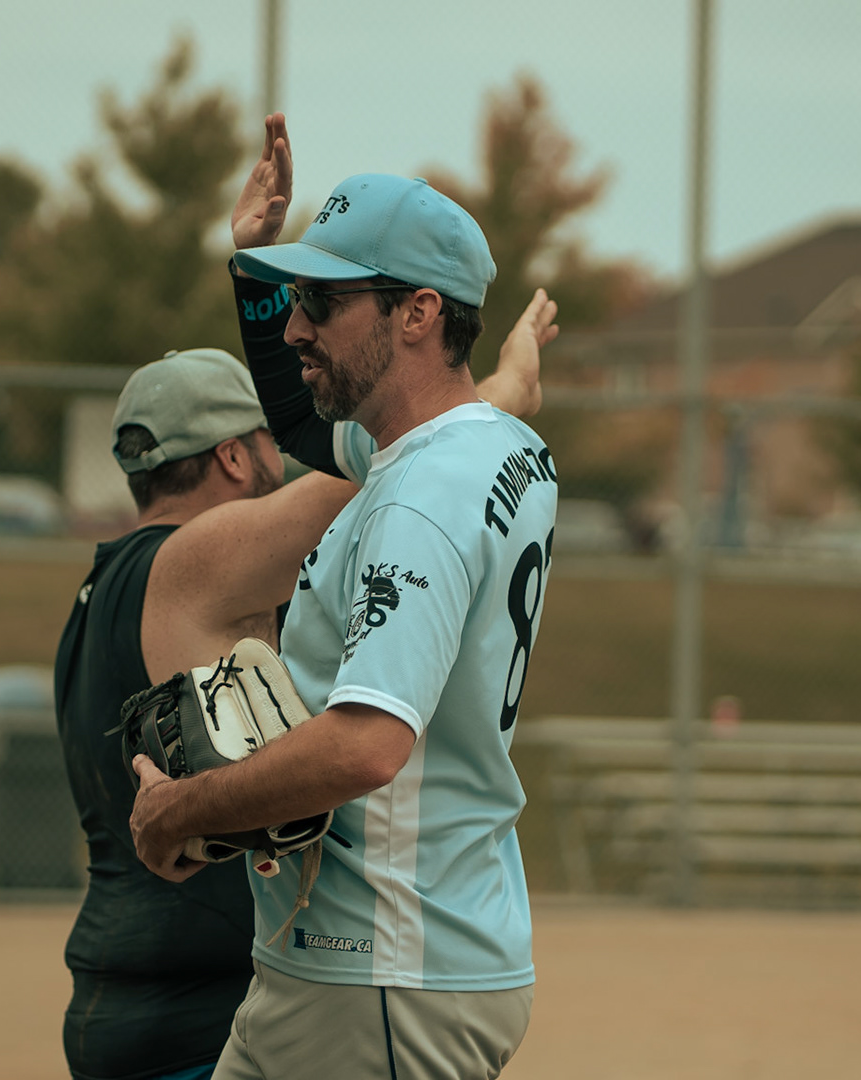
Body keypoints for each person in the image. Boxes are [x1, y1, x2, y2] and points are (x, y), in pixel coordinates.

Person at [53, 114, 555, 1080]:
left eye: (321, 301)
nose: (294, 327)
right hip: (371, 959)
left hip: (380, 968)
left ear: (417, 313)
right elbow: (300, 420)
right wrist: (254, 267)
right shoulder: (485, 447)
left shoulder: (415, 496)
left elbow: (365, 746)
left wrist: (183, 809)